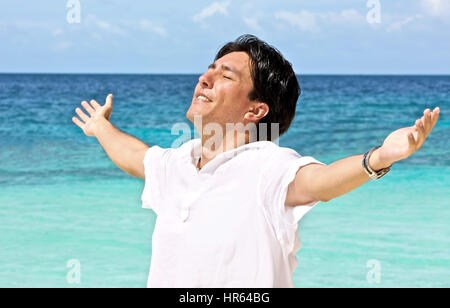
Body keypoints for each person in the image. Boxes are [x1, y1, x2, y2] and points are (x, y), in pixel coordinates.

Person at [71, 35, 440, 288]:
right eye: (209, 70)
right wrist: (101, 127)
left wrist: (379, 157)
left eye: (224, 75)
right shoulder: (178, 163)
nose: (204, 79)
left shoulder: (267, 166)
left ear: (255, 110)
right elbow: (136, 157)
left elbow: (323, 182)